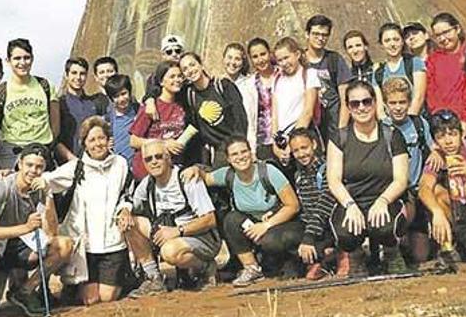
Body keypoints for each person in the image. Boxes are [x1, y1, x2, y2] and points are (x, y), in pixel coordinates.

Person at [34, 117, 133, 305]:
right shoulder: (76, 167)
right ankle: (72, 287)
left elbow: (127, 192)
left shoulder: (120, 163)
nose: (98, 144)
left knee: (108, 297)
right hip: (86, 248)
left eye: (101, 138)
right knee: (91, 299)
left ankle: (126, 276)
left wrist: (125, 208)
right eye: (92, 140)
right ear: (85, 144)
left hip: (112, 244)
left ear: (108, 139)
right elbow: (48, 179)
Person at [182, 137, 302, 287]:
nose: (240, 157)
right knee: (231, 220)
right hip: (254, 224)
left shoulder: (268, 172)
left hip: (281, 222)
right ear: (229, 159)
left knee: (270, 241)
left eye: (244, 151)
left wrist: (266, 225)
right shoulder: (228, 175)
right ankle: (251, 268)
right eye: (235, 154)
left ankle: (291, 261)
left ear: (251, 153)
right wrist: (195, 169)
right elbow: (206, 177)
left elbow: (293, 206)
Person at [326, 81, 410, 277]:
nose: (361, 107)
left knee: (384, 226)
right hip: (352, 202)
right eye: (355, 104)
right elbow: (334, 180)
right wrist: (349, 205)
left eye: (366, 101)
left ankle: (391, 253)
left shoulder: (392, 136)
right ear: (348, 107)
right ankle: (356, 256)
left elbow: (400, 179)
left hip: (386, 200)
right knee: (345, 232)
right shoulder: (339, 138)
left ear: (374, 103)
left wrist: (382, 201)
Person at [0, 145, 74, 315]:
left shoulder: (40, 189)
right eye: (29, 165)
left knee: (64, 245)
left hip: (22, 247)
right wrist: (25, 228)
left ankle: (24, 292)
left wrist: (48, 195)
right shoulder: (2, 186)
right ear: (20, 164)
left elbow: (51, 234)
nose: (33, 171)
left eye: (39, 167)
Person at [126, 141, 220, 296]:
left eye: (158, 157)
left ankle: (206, 267)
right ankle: (153, 278)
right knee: (129, 223)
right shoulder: (147, 183)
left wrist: (177, 231)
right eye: (149, 159)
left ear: (168, 158)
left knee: (169, 251)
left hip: (200, 238)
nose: (154, 162)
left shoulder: (187, 178)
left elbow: (210, 219)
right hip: (167, 233)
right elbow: (131, 202)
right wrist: (124, 211)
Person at [418, 109, 466, 262]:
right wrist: (437, 212)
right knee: (436, 193)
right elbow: (424, 188)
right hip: (458, 216)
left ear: (461, 135)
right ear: (435, 141)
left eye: (453, 134)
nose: (448, 141)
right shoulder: (437, 159)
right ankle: (449, 247)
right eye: (441, 137)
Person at [380, 77, 433, 264]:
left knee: (421, 257)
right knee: (403, 215)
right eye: (392, 103)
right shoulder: (381, 128)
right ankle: (392, 245)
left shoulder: (419, 124)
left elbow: (432, 149)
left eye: (402, 102)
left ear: (409, 102)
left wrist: (437, 154)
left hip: (419, 189)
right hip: (396, 192)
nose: (398, 107)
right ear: (385, 105)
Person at [0, 38, 60, 170]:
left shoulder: (45, 86)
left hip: (41, 149)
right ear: (8, 61)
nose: (22, 63)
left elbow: (55, 120)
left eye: (26, 58)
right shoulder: (0, 91)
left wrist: (50, 141)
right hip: (12, 152)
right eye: (17, 58)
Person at [179, 52, 248, 168]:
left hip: (232, 146)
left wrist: (238, 148)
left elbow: (240, 118)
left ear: (201, 64)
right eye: (185, 69)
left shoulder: (223, 86)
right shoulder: (190, 95)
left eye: (192, 65)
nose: (190, 70)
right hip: (211, 150)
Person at [287, 128, 335, 281]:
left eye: (304, 147)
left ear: (314, 144)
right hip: (309, 224)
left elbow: (324, 205)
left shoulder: (328, 169)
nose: (301, 154)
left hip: (328, 224)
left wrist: (309, 237)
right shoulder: (299, 174)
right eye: (296, 150)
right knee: (279, 239)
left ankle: (329, 255)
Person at [129, 61, 190, 179]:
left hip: (170, 170)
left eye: (179, 76)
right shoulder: (151, 107)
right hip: (147, 170)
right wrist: (163, 144)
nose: (177, 80)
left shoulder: (182, 105)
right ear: (162, 81)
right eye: (172, 76)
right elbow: (133, 141)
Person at [426, 13, 466, 136]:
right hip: (442, 125)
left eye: (446, 32)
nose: (443, 38)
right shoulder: (433, 60)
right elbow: (430, 93)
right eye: (438, 35)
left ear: (457, 29)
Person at [271, 37, 320, 175]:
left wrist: (292, 143)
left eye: (286, 57)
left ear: (297, 54)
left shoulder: (309, 74)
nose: (284, 63)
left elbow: (308, 111)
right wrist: (276, 144)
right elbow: (274, 115)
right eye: (280, 60)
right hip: (282, 141)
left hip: (301, 138)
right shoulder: (277, 79)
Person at [305, 15, 352, 145]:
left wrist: (342, 128)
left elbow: (345, 98)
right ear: (307, 34)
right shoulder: (300, 62)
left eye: (324, 35)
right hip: (309, 124)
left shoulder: (335, 60)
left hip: (333, 122)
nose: (320, 38)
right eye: (315, 34)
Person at [57, 57, 104, 163]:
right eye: (74, 73)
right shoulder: (59, 104)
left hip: (94, 162)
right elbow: (55, 139)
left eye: (82, 74)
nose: (78, 77)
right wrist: (72, 159)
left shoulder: (95, 103)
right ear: (66, 75)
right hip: (67, 164)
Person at [374, 22, 426, 117]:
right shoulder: (378, 72)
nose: (392, 44)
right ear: (381, 44)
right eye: (387, 41)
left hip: (414, 121)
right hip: (390, 126)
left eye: (396, 39)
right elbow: (380, 106)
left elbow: (419, 97)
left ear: (402, 42)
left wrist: (408, 123)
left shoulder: (415, 63)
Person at [246, 38, 278, 160]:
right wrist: (252, 150)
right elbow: (250, 119)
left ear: (270, 53)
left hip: (284, 139)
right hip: (262, 142)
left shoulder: (282, 75)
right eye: (255, 56)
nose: (260, 59)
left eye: (263, 54)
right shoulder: (250, 84)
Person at [104, 74, 139, 167]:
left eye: (124, 94)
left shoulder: (138, 111)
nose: (121, 99)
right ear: (111, 98)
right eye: (116, 96)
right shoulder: (108, 118)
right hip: (118, 166)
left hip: (137, 164)